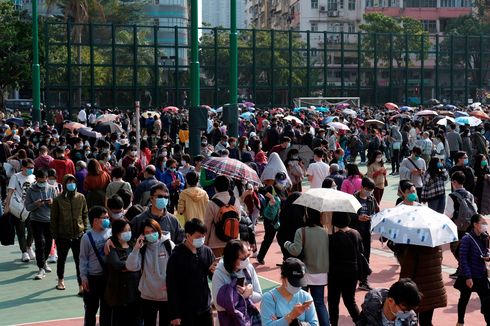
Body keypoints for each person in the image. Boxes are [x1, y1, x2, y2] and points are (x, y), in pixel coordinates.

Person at [284, 209, 330, 326]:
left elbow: (296, 250)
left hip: (304, 272)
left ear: (307, 216)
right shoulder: (325, 232)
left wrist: (287, 244)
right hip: (321, 272)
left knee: (301, 302)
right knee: (319, 303)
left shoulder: (301, 231)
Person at [167, 218, 217, 326]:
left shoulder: (207, 251)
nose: (202, 239)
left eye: (203, 236)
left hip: (205, 307)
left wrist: (214, 272)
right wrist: (174, 314)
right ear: (188, 235)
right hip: (185, 310)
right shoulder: (176, 256)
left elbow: (213, 276)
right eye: (198, 237)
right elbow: (171, 286)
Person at [126, 218, 175, 326]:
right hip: (148, 295)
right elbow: (131, 266)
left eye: (153, 231)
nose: (150, 234)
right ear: (143, 235)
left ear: (158, 230)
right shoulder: (142, 248)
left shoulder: (169, 245)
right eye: (147, 233)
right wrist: (136, 249)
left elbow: (176, 269)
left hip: (166, 295)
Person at [50, 174, 88, 293]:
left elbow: (85, 213)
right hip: (63, 235)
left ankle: (81, 285)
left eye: (73, 182)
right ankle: (60, 280)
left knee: (79, 261)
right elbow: (54, 218)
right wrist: (55, 234)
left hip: (78, 234)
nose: (71, 184)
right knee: (62, 259)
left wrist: (84, 229)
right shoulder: (58, 200)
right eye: (69, 182)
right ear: (65, 184)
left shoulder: (81, 197)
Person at [212, 240, 263, 326]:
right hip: (228, 321)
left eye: (248, 256)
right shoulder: (219, 274)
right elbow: (218, 306)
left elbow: (259, 296)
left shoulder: (249, 268)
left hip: (249, 320)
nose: (247, 260)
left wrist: (250, 294)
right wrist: (241, 296)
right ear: (232, 259)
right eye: (243, 258)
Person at [397, 240, 447, 325]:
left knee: (411, 320)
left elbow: (407, 272)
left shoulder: (414, 247)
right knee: (426, 321)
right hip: (433, 290)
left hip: (416, 291)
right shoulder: (437, 245)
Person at [328, 212, 363, 326]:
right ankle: (360, 322)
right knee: (350, 300)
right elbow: (361, 251)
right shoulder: (356, 233)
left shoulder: (333, 238)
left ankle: (333, 324)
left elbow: (329, 256)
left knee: (333, 301)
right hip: (353, 271)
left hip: (335, 273)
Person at [260, 257, 319, 325]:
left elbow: (314, 324)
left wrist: (283, 321)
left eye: (300, 282)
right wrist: (291, 316)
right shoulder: (269, 298)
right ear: (283, 278)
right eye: (294, 282)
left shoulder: (306, 297)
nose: (297, 286)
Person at [79, 206, 112, 326]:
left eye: (107, 217)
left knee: (107, 308)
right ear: (95, 220)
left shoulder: (111, 233)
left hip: (107, 277)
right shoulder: (86, 237)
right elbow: (83, 259)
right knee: (91, 309)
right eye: (104, 218)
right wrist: (83, 277)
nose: (107, 220)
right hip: (93, 278)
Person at [455, 214, 490, 325]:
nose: (485, 225)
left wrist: (488, 256)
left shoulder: (484, 237)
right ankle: (460, 322)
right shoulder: (467, 239)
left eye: (485, 223)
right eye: (482, 223)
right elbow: (463, 259)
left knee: (487, 301)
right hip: (469, 276)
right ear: (475, 224)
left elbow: (486, 251)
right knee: (464, 299)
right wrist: (468, 277)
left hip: (482, 275)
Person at [445, 171, 478, 278]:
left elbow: (448, 214)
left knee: (456, 248)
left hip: (457, 226)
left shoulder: (452, 196)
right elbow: (475, 209)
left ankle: (463, 269)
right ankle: (462, 269)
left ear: (454, 182)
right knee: (466, 248)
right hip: (469, 225)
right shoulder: (469, 194)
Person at [25, 169, 57, 280]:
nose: (43, 182)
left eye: (45, 180)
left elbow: (56, 206)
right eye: (41, 180)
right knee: (40, 243)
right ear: (36, 179)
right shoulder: (31, 190)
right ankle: (41, 268)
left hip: (49, 220)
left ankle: (44, 262)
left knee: (48, 243)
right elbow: (27, 207)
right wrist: (36, 204)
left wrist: (52, 203)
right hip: (36, 220)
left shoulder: (52, 189)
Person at [5, 158, 36, 262]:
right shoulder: (15, 177)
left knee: (32, 230)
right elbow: (10, 192)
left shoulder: (33, 177)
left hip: (31, 208)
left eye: (32, 168)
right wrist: (7, 206)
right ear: (23, 167)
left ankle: (29, 246)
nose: (31, 170)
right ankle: (24, 252)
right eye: (29, 168)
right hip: (18, 209)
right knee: (21, 231)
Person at [356, 278, 421, 326]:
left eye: (410, 310)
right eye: (404, 310)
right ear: (390, 301)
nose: (408, 313)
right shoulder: (370, 310)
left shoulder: (411, 318)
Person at [204, 175, 241, 257]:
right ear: (228, 187)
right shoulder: (235, 201)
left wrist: (205, 244)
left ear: (215, 188)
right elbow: (239, 219)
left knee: (217, 268)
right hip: (233, 242)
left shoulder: (211, 203)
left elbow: (207, 225)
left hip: (216, 243)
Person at [352, 177, 378, 291]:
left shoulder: (371, 199)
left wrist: (372, 218)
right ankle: (354, 280)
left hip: (367, 232)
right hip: (355, 232)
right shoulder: (353, 199)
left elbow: (376, 212)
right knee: (355, 256)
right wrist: (358, 218)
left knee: (366, 256)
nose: (369, 192)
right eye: (367, 189)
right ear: (361, 187)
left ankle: (364, 281)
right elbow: (348, 216)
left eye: (371, 190)